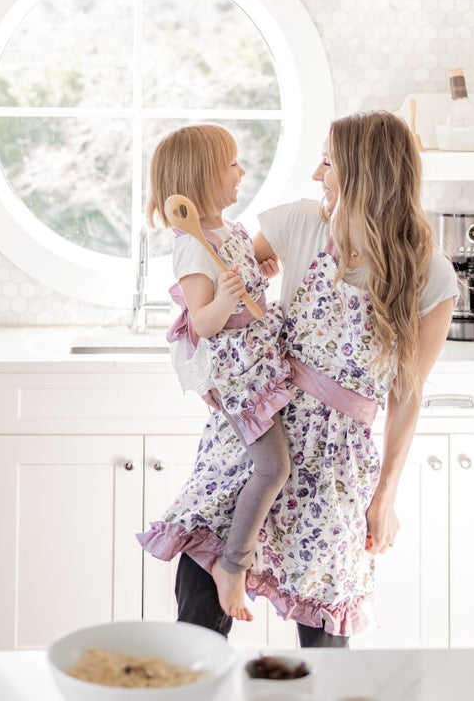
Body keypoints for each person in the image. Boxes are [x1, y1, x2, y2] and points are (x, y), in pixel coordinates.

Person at [138, 110, 459, 647]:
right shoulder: (298, 222)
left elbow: (407, 393)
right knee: (198, 622)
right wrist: (219, 380)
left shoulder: (430, 274)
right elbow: (225, 290)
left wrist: (385, 495)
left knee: (323, 640)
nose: (316, 174)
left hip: (335, 468)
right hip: (258, 438)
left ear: (363, 173)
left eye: (328, 161)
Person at [144, 123, 294, 622]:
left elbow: (242, 286)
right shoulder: (189, 244)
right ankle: (233, 564)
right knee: (273, 468)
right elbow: (203, 322)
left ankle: (224, 563)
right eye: (232, 163)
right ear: (205, 175)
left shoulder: (227, 233)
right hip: (239, 377)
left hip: (258, 366)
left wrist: (255, 274)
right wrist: (227, 299)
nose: (242, 172)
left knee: (250, 473)